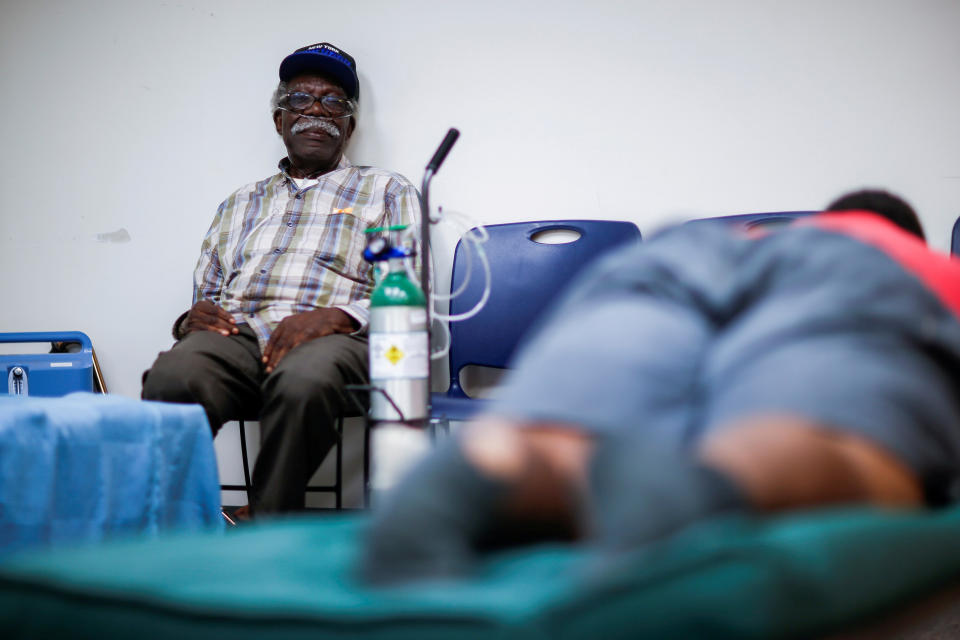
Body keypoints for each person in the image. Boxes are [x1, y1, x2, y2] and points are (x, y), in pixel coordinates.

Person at [359, 190, 960, 584]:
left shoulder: (752, 241)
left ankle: (501, 461)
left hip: (673, 260)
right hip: (844, 285)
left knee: (566, 426)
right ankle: (714, 485)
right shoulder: (915, 265)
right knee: (828, 434)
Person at [142, 43, 421, 516]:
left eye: (334, 101)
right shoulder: (240, 202)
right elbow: (207, 292)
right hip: (241, 335)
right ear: (279, 120)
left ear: (350, 126)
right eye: (299, 99)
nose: (316, 109)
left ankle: (269, 523)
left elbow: (404, 288)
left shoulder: (386, 191)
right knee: (175, 375)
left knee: (305, 378)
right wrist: (191, 317)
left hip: (337, 339)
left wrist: (333, 317)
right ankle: (177, 521)